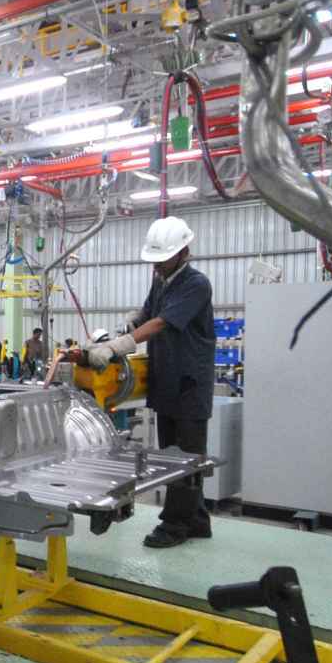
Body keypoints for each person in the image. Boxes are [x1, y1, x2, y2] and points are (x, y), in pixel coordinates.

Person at [85, 216, 215, 549]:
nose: (156, 266)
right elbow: (148, 313)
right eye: (154, 260)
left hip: (189, 384)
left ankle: (174, 525)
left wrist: (119, 346)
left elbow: (161, 323)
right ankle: (197, 520)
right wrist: (130, 322)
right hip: (167, 381)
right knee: (175, 452)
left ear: (183, 252)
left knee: (183, 458)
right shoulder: (162, 280)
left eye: (162, 259)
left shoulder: (196, 284)